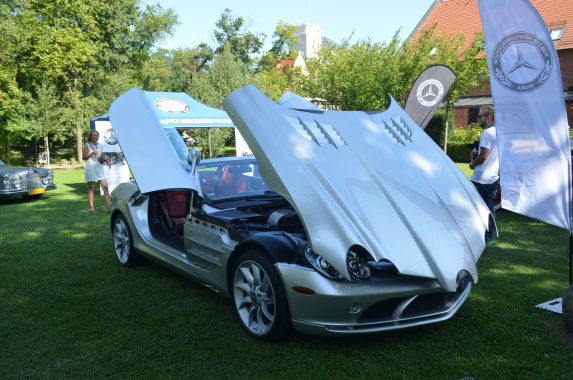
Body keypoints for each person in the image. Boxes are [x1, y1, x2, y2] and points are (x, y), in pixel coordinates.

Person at [469, 105, 499, 245]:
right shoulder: (498, 132)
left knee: (474, 207)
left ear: (488, 117)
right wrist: (476, 155)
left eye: (480, 116)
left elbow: (484, 156)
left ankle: (476, 235)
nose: (478, 119)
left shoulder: (487, 133)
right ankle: (489, 237)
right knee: (489, 208)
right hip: (493, 177)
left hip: (481, 178)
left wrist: (473, 163)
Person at [82, 130, 111, 213]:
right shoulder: (87, 145)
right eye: (94, 135)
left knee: (105, 187)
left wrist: (107, 161)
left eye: (97, 135)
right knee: (91, 188)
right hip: (90, 169)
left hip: (99, 168)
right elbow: (84, 158)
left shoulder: (100, 145)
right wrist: (92, 153)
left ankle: (109, 208)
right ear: (90, 137)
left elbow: (99, 158)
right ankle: (91, 208)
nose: (95, 137)